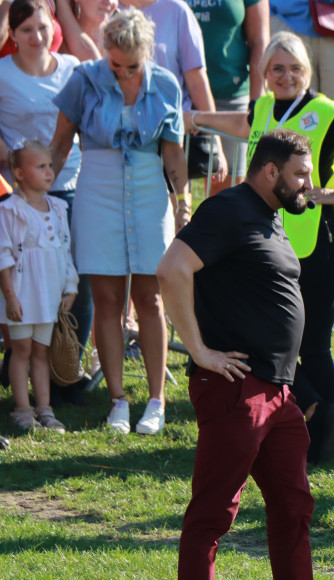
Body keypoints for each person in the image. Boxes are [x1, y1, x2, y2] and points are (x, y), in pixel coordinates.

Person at [158, 128, 334, 580]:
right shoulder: (228, 208)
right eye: (301, 174)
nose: (310, 185)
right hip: (236, 389)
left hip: (278, 394)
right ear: (270, 171)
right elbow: (171, 269)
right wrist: (200, 351)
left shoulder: (273, 215)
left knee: (294, 510)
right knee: (210, 518)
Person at [187, 30, 334, 464]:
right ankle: (299, 418)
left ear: (307, 72)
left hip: (321, 241)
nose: (286, 76)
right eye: (277, 68)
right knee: (278, 334)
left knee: (312, 340)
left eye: (295, 68)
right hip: (274, 243)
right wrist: (197, 118)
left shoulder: (323, 109)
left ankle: (320, 430)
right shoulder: (262, 108)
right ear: (264, 73)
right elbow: (242, 125)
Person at [51, 8, 188, 435]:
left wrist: (182, 200)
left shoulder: (165, 82)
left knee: (150, 299)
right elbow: (58, 146)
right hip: (97, 188)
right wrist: (35, 196)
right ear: (105, 51)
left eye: (132, 66)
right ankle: (117, 401)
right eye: (116, 65)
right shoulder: (83, 80)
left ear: (147, 54)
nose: (124, 73)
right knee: (107, 302)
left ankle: (155, 401)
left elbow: (173, 152)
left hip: (149, 190)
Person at [0, 0, 91, 405]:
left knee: (73, 278)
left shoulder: (72, 67)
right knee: (19, 278)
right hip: (16, 196)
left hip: (67, 187)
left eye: (42, 27)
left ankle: (67, 366)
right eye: (25, 30)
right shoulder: (2, 74)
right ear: (11, 35)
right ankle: (17, 357)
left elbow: (98, 60)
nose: (36, 37)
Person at [0, 141, 76, 433]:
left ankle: (45, 408)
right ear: (18, 173)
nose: (49, 172)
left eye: (50, 166)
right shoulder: (10, 211)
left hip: (47, 294)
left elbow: (65, 249)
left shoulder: (58, 207)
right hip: (21, 293)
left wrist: (69, 286)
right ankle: (22, 409)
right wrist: (9, 296)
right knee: (21, 350)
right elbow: (3, 256)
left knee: (41, 351)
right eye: (40, 166)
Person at [121, 0, 227, 182]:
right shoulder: (104, 7)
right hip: (122, 138)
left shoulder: (178, 10)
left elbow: (196, 81)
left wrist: (215, 141)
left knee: (178, 207)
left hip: (171, 139)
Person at [186, 0, 269, 192]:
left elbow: (260, 42)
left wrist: (257, 104)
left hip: (231, 98)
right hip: (179, 96)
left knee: (226, 196)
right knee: (174, 195)